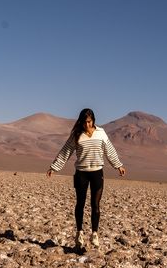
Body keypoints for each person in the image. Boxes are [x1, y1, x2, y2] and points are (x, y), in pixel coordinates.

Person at [47, 108, 126, 252]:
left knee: (95, 204)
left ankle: (94, 234)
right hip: (81, 173)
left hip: (97, 172)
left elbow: (110, 151)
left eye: (89, 122)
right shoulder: (77, 135)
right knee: (80, 204)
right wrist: (54, 167)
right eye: (84, 122)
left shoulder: (101, 133)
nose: (87, 125)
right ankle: (79, 233)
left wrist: (118, 165)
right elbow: (65, 152)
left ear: (93, 120)